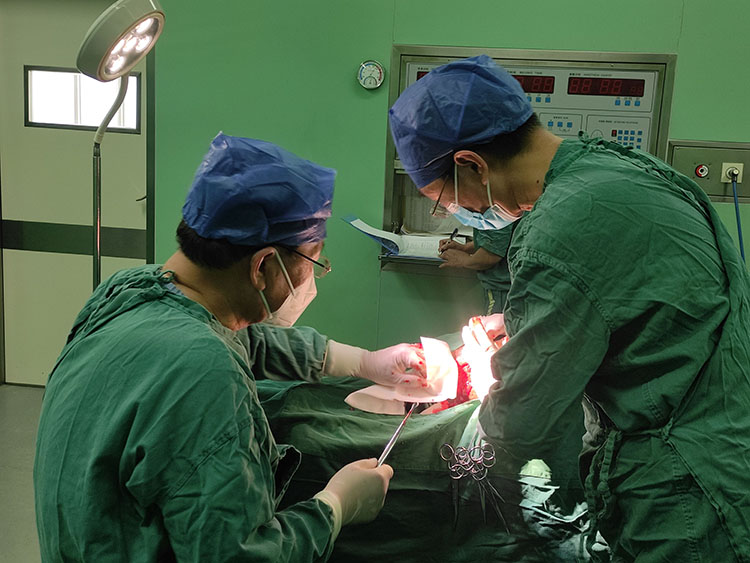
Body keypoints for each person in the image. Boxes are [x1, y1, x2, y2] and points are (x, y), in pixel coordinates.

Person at [388, 55, 750, 561]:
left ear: (471, 164)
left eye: (443, 199)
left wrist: (499, 384)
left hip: (685, 494)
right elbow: (636, 300)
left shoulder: (555, 233)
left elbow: (524, 424)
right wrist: (523, 322)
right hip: (730, 438)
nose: (458, 212)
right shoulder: (624, 167)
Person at [34, 133, 426, 562]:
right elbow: (239, 556)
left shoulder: (130, 289)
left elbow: (243, 337)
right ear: (263, 267)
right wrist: (336, 506)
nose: (314, 276)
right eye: (314, 261)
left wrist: (365, 362)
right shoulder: (204, 372)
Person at [438, 222, 520, 314]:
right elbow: (497, 240)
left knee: (496, 323)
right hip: (506, 288)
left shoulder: (497, 214)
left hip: (504, 291)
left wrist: (464, 260)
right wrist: (464, 248)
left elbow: (491, 255)